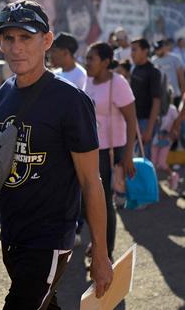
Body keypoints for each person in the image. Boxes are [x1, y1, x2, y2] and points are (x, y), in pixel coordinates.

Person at [0, 0, 113, 309]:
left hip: (50, 239)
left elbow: (91, 181)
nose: (16, 47)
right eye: (8, 38)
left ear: (47, 41)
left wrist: (102, 251)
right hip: (12, 233)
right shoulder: (3, 94)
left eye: (26, 37)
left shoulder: (71, 101)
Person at [83, 42, 137, 259]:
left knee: (103, 202)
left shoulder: (118, 83)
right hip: (89, 149)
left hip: (110, 151)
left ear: (105, 62)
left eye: (91, 59)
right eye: (86, 58)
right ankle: (98, 241)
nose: (87, 63)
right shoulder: (88, 80)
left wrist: (128, 155)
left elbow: (131, 119)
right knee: (84, 201)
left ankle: (105, 251)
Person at [130, 38, 162, 159]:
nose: (132, 53)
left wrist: (149, 129)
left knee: (144, 158)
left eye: (135, 49)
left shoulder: (153, 72)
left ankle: (146, 179)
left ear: (145, 51)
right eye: (131, 50)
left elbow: (156, 101)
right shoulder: (134, 69)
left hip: (146, 121)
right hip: (134, 120)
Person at [152, 40, 185, 105]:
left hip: (175, 94)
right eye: (156, 49)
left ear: (164, 48)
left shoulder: (175, 58)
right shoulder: (153, 60)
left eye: (159, 49)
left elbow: (181, 78)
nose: (157, 51)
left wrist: (183, 95)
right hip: (161, 96)